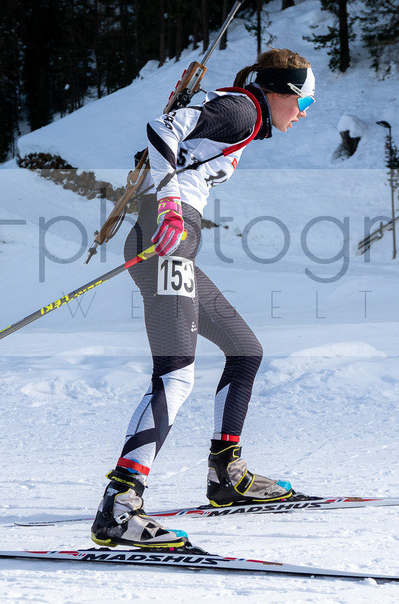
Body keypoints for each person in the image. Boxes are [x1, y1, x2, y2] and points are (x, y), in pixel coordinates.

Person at [91, 48, 316, 549]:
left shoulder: (246, 117)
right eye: (304, 101)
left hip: (174, 238)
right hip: (164, 234)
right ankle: (120, 505)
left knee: (245, 349)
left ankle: (225, 475)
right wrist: (170, 205)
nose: (303, 113)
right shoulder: (244, 109)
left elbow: (173, 144)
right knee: (176, 371)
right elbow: (161, 128)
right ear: (280, 92)